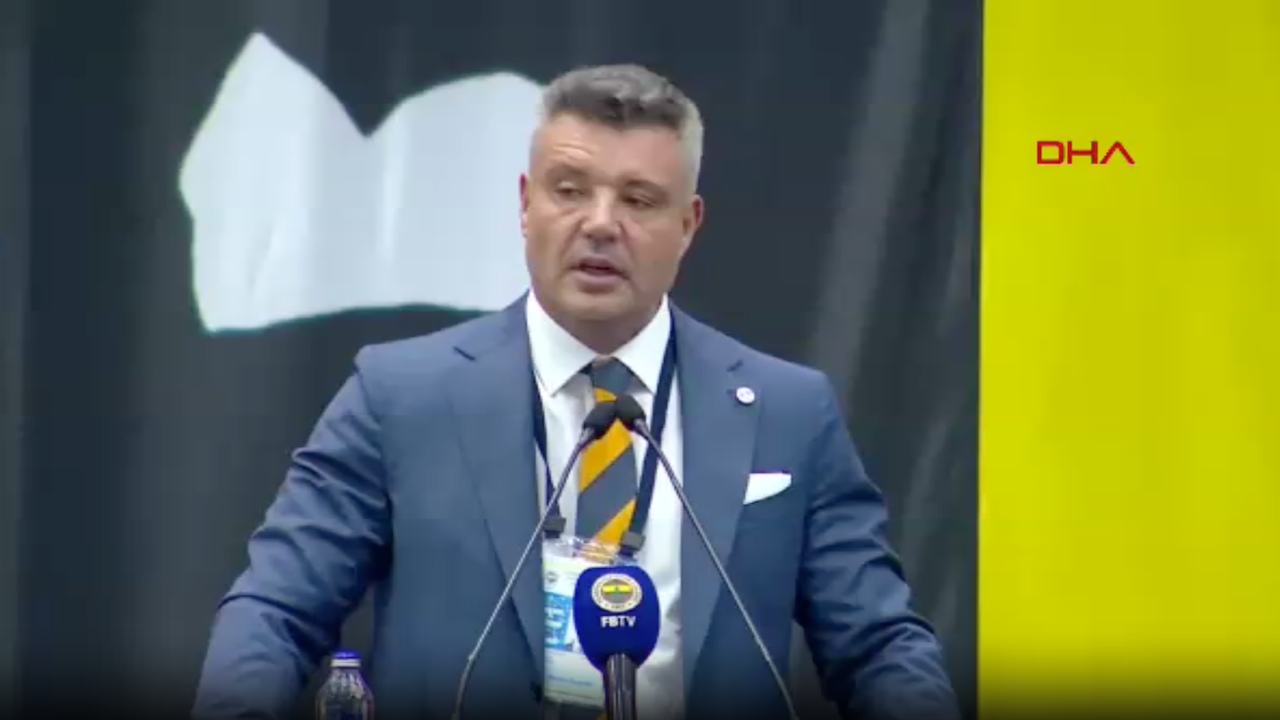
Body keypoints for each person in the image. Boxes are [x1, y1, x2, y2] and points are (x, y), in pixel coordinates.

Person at [193, 64, 958, 720]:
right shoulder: (400, 396)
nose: (600, 224)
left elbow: (878, 645)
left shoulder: (789, 411)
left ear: (688, 225)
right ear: (525, 204)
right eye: (570, 190)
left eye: (638, 200)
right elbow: (276, 609)